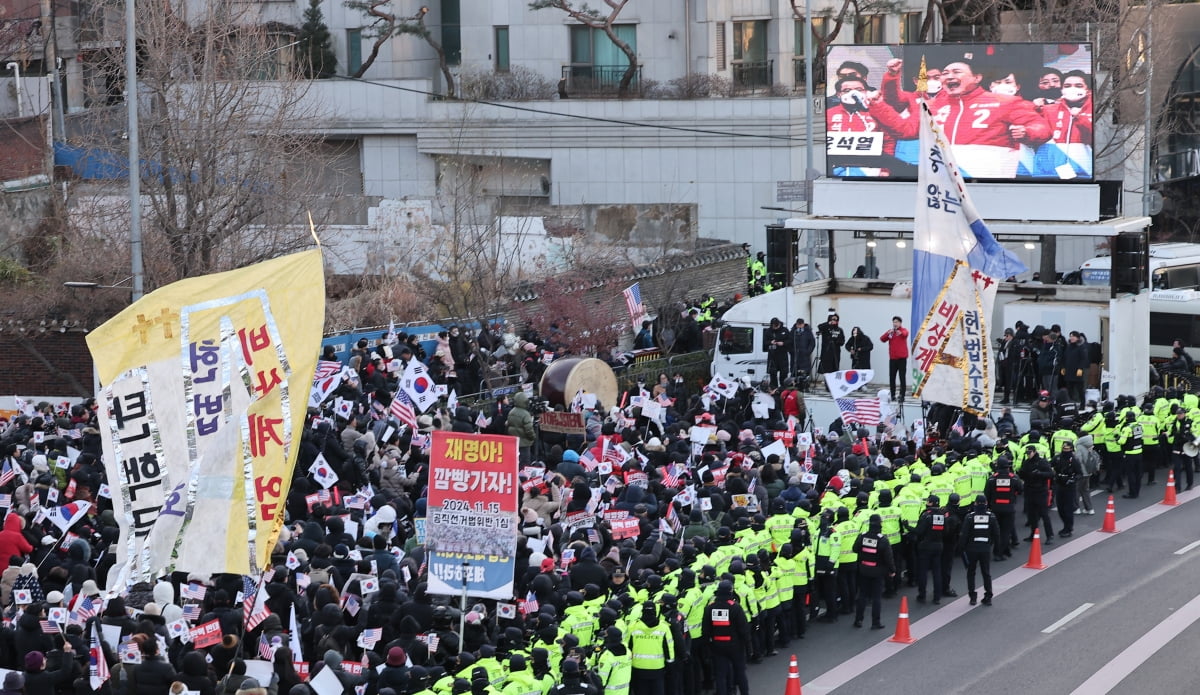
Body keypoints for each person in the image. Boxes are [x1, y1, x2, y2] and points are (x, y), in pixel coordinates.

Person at [868, 58, 1052, 178]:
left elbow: (1041, 128)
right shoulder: (932, 105)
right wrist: (878, 104)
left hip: (989, 181)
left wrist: (1027, 132)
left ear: (977, 77)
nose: (949, 76)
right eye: (946, 73)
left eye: (956, 72)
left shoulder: (1006, 102)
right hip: (943, 182)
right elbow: (905, 130)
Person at [702, 580, 750, 695]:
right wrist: (748, 647)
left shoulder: (710, 608)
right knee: (740, 673)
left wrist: (708, 647)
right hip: (735, 646)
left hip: (717, 646)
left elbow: (705, 630)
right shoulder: (735, 608)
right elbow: (743, 630)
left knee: (720, 675)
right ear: (730, 591)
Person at [852, 515, 893, 629]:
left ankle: (858, 620)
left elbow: (855, 549)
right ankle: (875, 622)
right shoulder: (882, 539)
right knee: (876, 598)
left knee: (862, 595)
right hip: (878, 572)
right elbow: (888, 557)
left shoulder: (863, 536)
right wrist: (892, 570)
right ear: (880, 523)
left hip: (864, 569)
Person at [957, 495, 1000, 606]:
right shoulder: (991, 517)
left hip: (972, 549)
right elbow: (996, 533)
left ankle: (972, 596)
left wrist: (961, 548)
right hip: (985, 549)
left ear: (975, 504)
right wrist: (994, 546)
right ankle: (988, 596)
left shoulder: (970, 517)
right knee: (986, 573)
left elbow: (964, 535)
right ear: (986, 503)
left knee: (971, 572)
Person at [914, 495, 947, 604]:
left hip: (926, 546)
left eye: (928, 501)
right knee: (937, 572)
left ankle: (922, 595)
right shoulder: (942, 516)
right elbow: (946, 531)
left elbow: (919, 531)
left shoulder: (926, 515)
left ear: (931, 503)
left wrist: (908, 527)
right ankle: (937, 597)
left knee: (923, 571)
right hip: (939, 546)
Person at [1052, 441, 1083, 537]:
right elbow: (1049, 465)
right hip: (1059, 485)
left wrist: (1073, 480)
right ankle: (1065, 525)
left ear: (1071, 449)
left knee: (1068, 509)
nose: (1065, 450)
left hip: (1069, 486)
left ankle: (1068, 528)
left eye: (1067, 449)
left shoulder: (1073, 460)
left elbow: (1079, 473)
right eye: (1064, 449)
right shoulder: (1057, 458)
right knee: (1060, 508)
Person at [879, 316, 909, 402]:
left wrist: (900, 333)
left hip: (902, 359)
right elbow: (882, 339)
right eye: (894, 322)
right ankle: (892, 395)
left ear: (900, 323)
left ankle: (902, 395)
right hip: (893, 358)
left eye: (896, 322)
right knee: (892, 377)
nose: (895, 323)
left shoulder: (903, 330)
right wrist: (888, 333)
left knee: (902, 377)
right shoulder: (891, 332)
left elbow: (905, 334)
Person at [763, 318, 791, 389]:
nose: (775, 327)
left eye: (776, 326)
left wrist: (783, 343)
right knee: (773, 373)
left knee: (784, 373)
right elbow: (765, 342)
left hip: (782, 354)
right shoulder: (768, 331)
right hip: (772, 355)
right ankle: (774, 388)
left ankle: (783, 388)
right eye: (774, 326)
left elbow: (790, 341)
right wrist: (770, 342)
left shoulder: (785, 330)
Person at [790, 319, 816, 387]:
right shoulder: (793, 331)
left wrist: (808, 351)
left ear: (803, 324)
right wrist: (791, 351)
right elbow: (789, 342)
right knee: (795, 371)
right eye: (798, 324)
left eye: (801, 324)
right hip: (795, 355)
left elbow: (812, 343)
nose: (800, 326)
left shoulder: (808, 332)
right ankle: (794, 385)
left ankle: (804, 385)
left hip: (804, 356)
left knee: (804, 372)